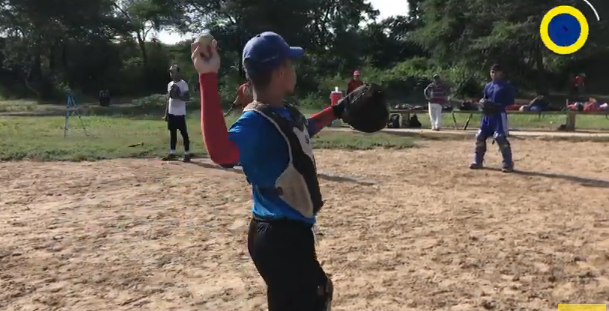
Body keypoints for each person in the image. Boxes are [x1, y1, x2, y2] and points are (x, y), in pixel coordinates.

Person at [194, 31, 347, 310]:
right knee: (314, 294)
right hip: (280, 238)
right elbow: (221, 152)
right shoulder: (256, 121)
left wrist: (335, 112)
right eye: (290, 64)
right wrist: (207, 76)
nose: (293, 69)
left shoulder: (280, 111)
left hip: (287, 234)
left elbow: (303, 130)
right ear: (278, 72)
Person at [470, 64, 514, 172]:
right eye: (492, 72)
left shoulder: (506, 86)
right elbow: (485, 99)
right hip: (487, 116)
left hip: (499, 115)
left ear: (501, 73)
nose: (493, 74)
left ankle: (508, 163)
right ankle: (478, 161)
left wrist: (498, 105)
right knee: (480, 136)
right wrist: (482, 103)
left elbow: (510, 101)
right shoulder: (488, 86)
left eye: (496, 72)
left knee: (500, 138)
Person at [162, 64, 191, 162]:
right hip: (171, 112)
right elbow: (168, 99)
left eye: (172, 72)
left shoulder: (183, 84)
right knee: (172, 133)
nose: (171, 74)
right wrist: (166, 113)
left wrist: (178, 95)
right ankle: (172, 152)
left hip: (180, 113)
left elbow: (187, 98)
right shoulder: (170, 84)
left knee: (184, 134)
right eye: (170, 72)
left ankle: (187, 153)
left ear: (178, 72)